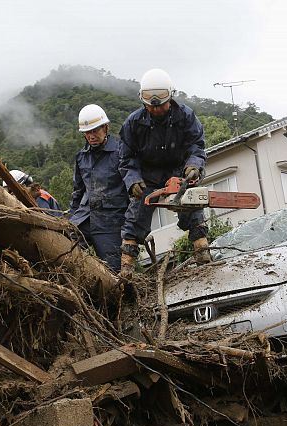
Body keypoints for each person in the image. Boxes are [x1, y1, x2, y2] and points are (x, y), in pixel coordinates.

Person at [118, 68, 210, 276]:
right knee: (135, 218)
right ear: (144, 102)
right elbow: (126, 157)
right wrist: (133, 180)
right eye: (151, 106)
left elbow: (197, 144)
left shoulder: (185, 116)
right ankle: (126, 270)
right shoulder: (133, 123)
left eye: (160, 105)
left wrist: (194, 165)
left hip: (179, 172)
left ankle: (203, 255)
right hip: (147, 177)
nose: (156, 110)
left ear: (170, 97)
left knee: (193, 207)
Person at [68, 104, 129, 272]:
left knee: (114, 272)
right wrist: (70, 219)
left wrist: (129, 226)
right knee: (66, 254)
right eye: (87, 132)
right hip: (84, 219)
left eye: (95, 131)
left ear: (106, 127)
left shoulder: (121, 153)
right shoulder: (81, 157)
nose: (91, 136)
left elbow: (131, 190)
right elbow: (78, 192)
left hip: (111, 223)